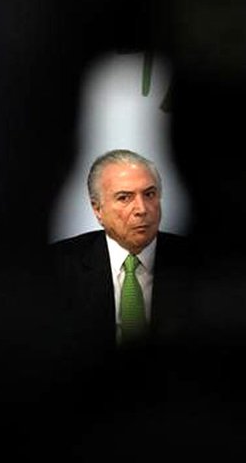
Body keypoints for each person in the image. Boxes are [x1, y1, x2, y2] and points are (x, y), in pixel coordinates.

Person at [51, 149, 192, 354]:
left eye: (149, 194)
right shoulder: (59, 265)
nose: (142, 209)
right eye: (125, 198)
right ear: (97, 209)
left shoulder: (195, 261)